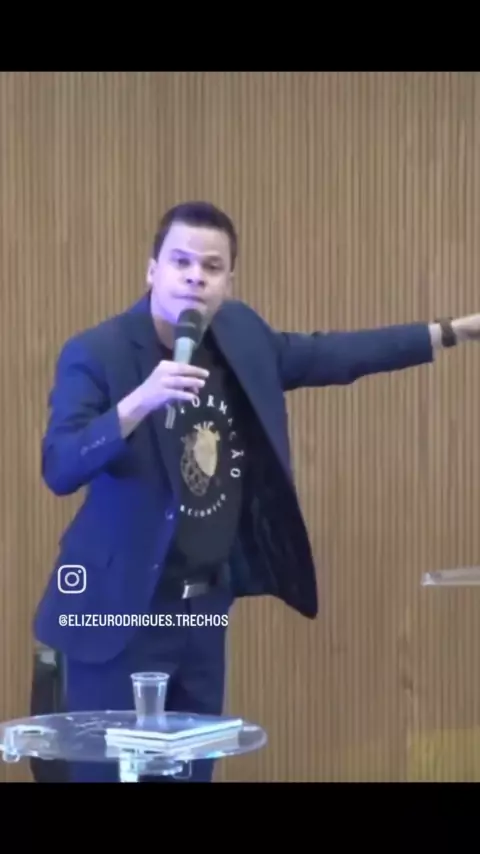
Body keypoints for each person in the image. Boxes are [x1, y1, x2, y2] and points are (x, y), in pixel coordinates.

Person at [33, 200, 480, 782]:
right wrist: (139, 402)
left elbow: (332, 354)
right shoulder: (99, 353)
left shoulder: (241, 336)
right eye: (181, 262)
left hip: (201, 613)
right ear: (152, 270)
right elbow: (60, 466)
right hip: (115, 616)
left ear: (228, 282)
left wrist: (449, 332)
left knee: (192, 773)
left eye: (211, 266)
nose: (195, 277)